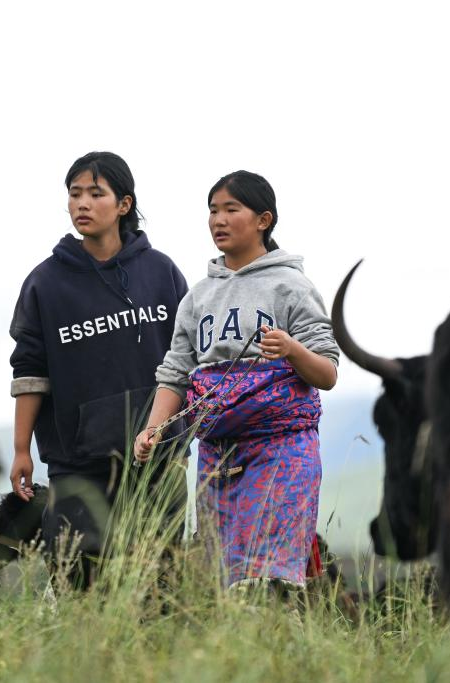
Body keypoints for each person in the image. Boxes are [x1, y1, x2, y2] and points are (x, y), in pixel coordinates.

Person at [134, 170, 339, 592]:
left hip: (283, 451)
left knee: (273, 581)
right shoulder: (197, 298)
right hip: (218, 456)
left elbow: (328, 372)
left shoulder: (292, 287)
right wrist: (153, 428)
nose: (218, 220)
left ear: (263, 220)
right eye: (213, 210)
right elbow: (175, 373)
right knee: (225, 582)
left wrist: (291, 350)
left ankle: (284, 648)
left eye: (231, 209)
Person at [9, 151, 188, 587]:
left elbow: (187, 361)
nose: (82, 204)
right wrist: (20, 449)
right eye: (75, 194)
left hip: (158, 461)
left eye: (95, 193)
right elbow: (30, 371)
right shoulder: (45, 283)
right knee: (78, 584)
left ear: (123, 204)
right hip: (77, 464)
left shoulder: (161, 272)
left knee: (157, 585)